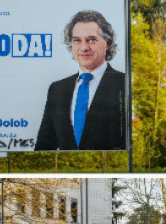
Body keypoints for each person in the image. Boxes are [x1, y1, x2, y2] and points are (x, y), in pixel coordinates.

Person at [34, 10, 126, 151]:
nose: (84, 47)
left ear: (106, 43)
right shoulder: (57, 89)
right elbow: (43, 147)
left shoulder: (124, 84)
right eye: (77, 40)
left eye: (91, 40)